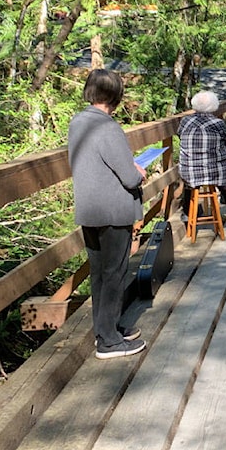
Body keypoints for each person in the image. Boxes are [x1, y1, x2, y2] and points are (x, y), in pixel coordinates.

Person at [67, 69, 147, 360]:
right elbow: (128, 177)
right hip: (113, 210)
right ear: (115, 95)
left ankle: (107, 328)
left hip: (89, 208)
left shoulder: (78, 122)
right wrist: (139, 172)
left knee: (100, 274)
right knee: (114, 274)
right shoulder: (108, 127)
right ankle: (109, 342)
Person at [177, 90, 226, 234]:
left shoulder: (185, 120)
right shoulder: (218, 123)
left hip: (189, 171)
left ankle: (188, 213)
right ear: (213, 106)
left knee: (190, 186)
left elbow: (179, 135)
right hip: (215, 170)